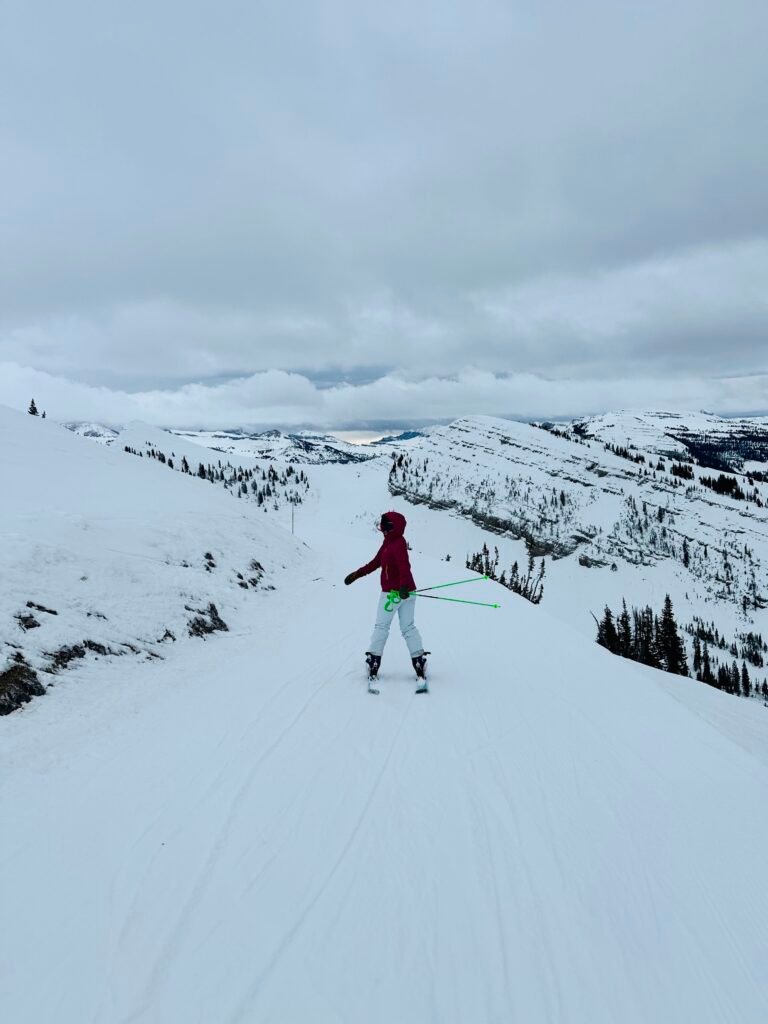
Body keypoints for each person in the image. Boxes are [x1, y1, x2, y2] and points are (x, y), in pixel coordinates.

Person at [344, 511, 428, 680]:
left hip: (393, 594)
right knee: (408, 627)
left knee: (382, 627)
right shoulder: (389, 543)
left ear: (390, 527)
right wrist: (357, 574)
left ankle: (374, 661)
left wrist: (402, 586)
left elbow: (404, 566)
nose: (381, 530)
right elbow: (376, 563)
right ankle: (418, 661)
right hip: (407, 593)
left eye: (383, 527)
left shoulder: (397, 543)